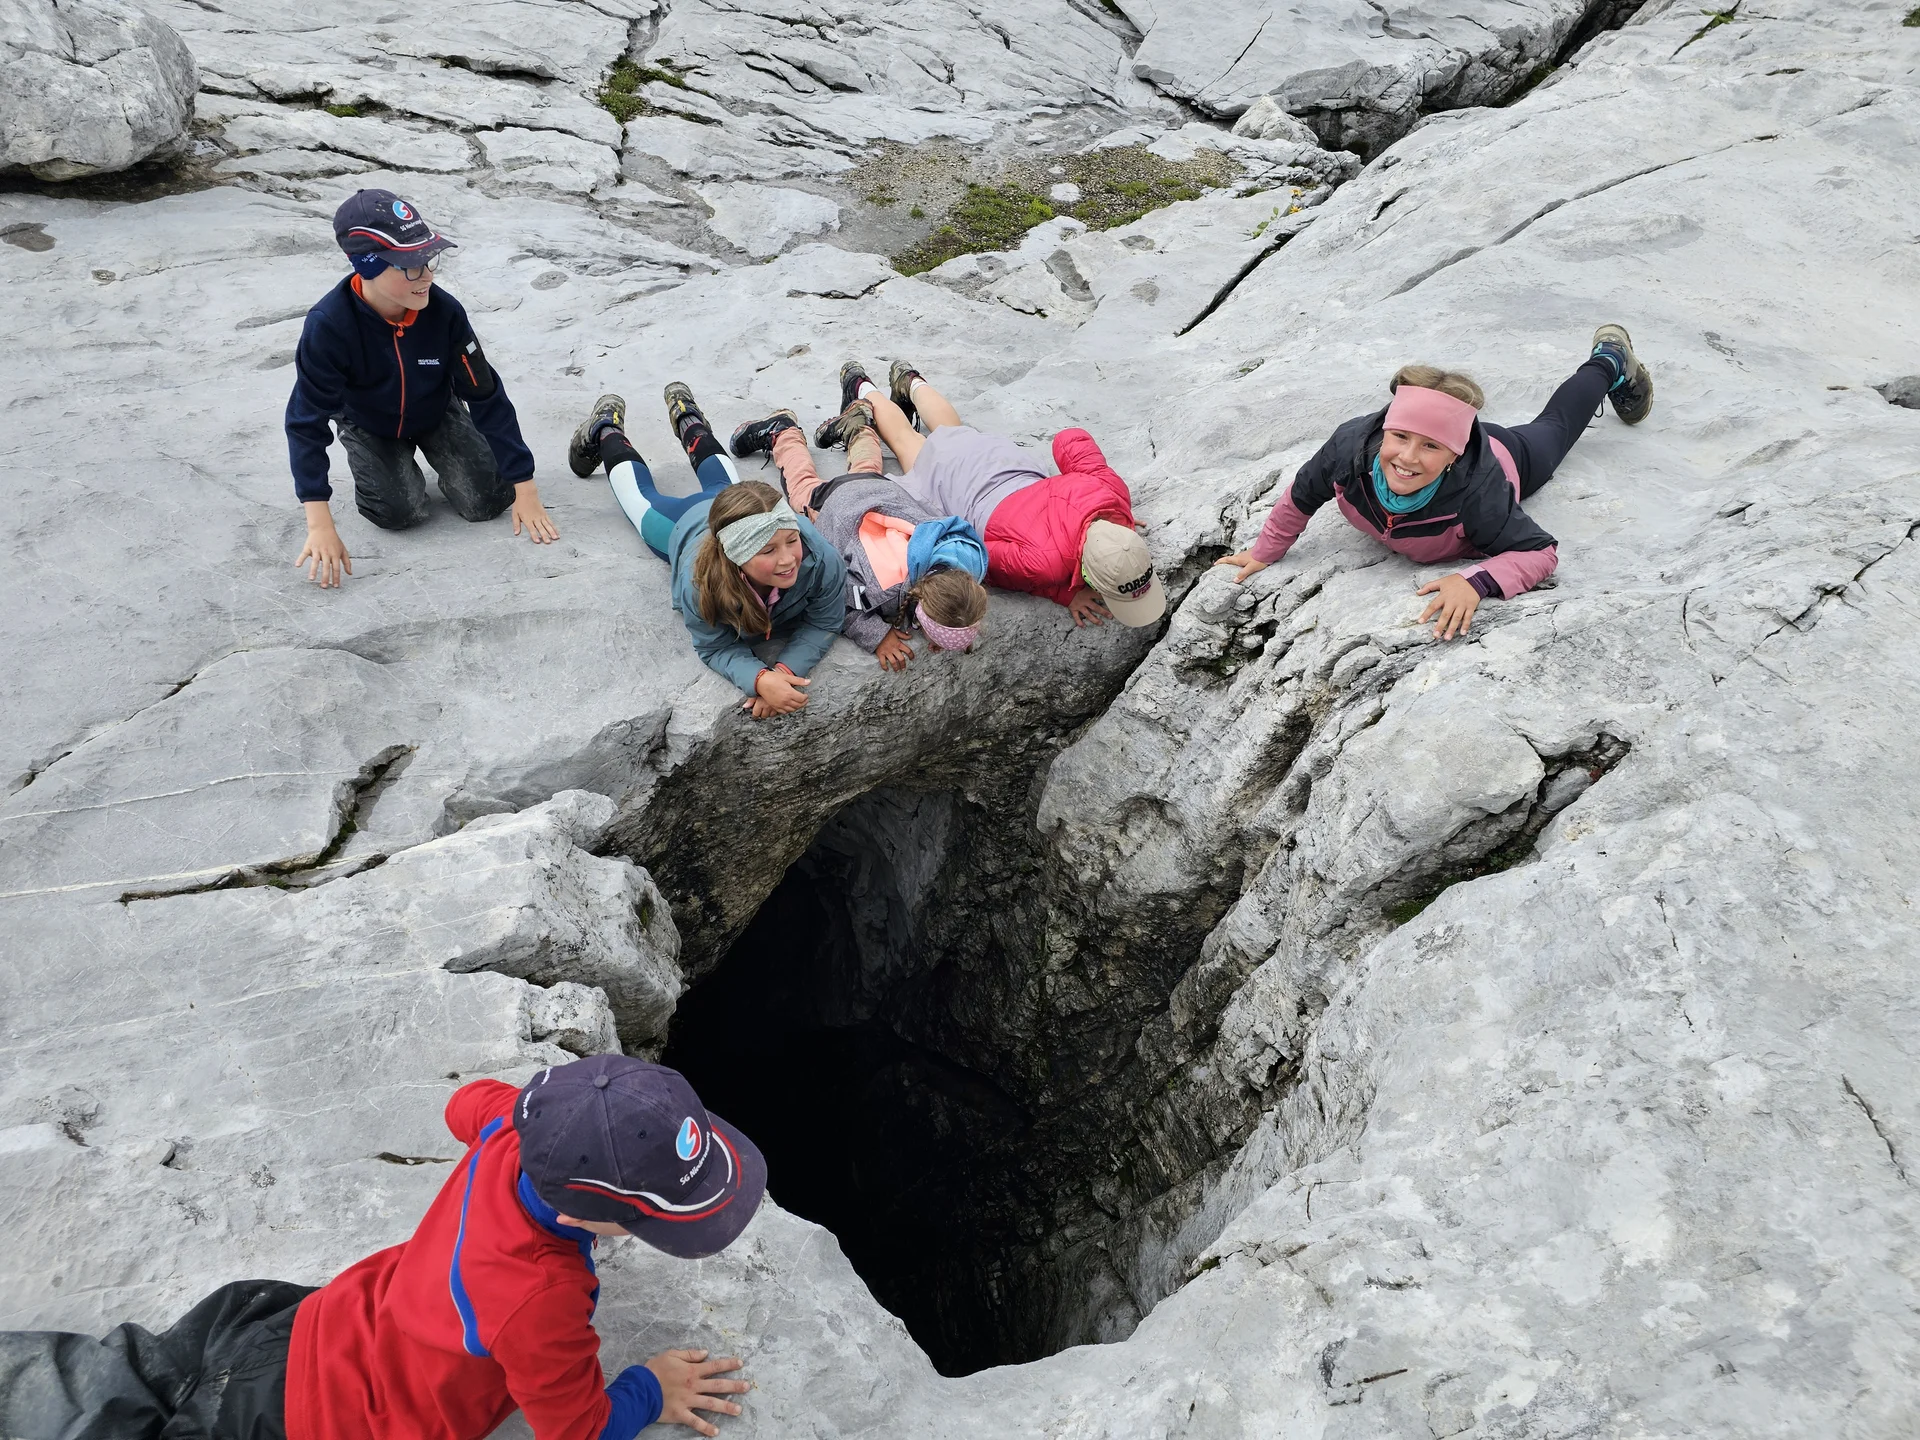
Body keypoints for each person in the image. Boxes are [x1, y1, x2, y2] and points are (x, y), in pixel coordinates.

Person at [0, 1054, 765, 1440]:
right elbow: (578, 1426)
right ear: (592, 1212)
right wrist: (649, 1389)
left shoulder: (514, 1129)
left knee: (127, 1370)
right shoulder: (539, 1299)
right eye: (651, 1220)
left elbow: (465, 1102)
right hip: (313, 1424)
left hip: (287, 1323)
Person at [1215, 326, 1655, 639]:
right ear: (1385, 429)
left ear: (1455, 454)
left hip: (1511, 456)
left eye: (1429, 446)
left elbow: (1541, 551)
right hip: (1466, 446)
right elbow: (1301, 497)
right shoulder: (1350, 447)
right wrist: (1264, 551)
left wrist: (1475, 581)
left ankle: (1609, 361)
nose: (1406, 458)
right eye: (1400, 437)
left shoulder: (1479, 492)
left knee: (1556, 426)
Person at [286, 189, 556, 588]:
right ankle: (387, 463)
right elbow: (305, 421)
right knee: (399, 513)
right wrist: (319, 521)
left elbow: (485, 394)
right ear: (368, 266)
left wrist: (526, 486)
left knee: (489, 501)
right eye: (410, 266)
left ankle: (443, 452)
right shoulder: (329, 325)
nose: (427, 275)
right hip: (369, 420)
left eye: (429, 259)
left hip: (434, 409)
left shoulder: (445, 312)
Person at [567, 385, 846, 718]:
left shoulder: (820, 556)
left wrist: (781, 674)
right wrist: (759, 679)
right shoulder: (699, 583)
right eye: (768, 550)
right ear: (735, 556)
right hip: (681, 525)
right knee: (638, 495)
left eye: (791, 540)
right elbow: (714, 646)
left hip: (735, 506)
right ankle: (606, 429)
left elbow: (826, 621)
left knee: (721, 482)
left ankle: (687, 415)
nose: (788, 558)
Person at [828, 360, 1167, 629]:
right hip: (965, 489)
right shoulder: (1045, 565)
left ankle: (911, 381)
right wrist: (1064, 593)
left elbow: (1070, 440)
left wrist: (1111, 518)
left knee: (952, 431)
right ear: (1089, 577)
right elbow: (983, 556)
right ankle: (861, 385)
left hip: (1005, 463)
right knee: (907, 443)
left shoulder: (1111, 495)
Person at [729, 400, 990, 668]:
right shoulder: (885, 591)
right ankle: (784, 432)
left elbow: (959, 606)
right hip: (837, 504)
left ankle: (859, 426)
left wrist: (949, 627)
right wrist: (877, 635)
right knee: (802, 486)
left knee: (866, 470)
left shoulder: (969, 559)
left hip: (881, 492)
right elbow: (834, 598)